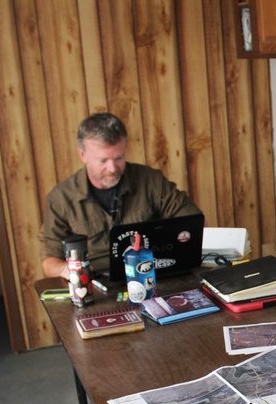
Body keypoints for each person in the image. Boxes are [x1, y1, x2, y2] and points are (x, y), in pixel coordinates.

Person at [41, 112, 202, 279]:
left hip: (150, 274)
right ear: (83, 155)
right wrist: (70, 271)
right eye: (102, 161)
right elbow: (49, 261)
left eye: (119, 158)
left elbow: (193, 221)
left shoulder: (150, 180)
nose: (112, 168)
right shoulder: (60, 199)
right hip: (97, 284)